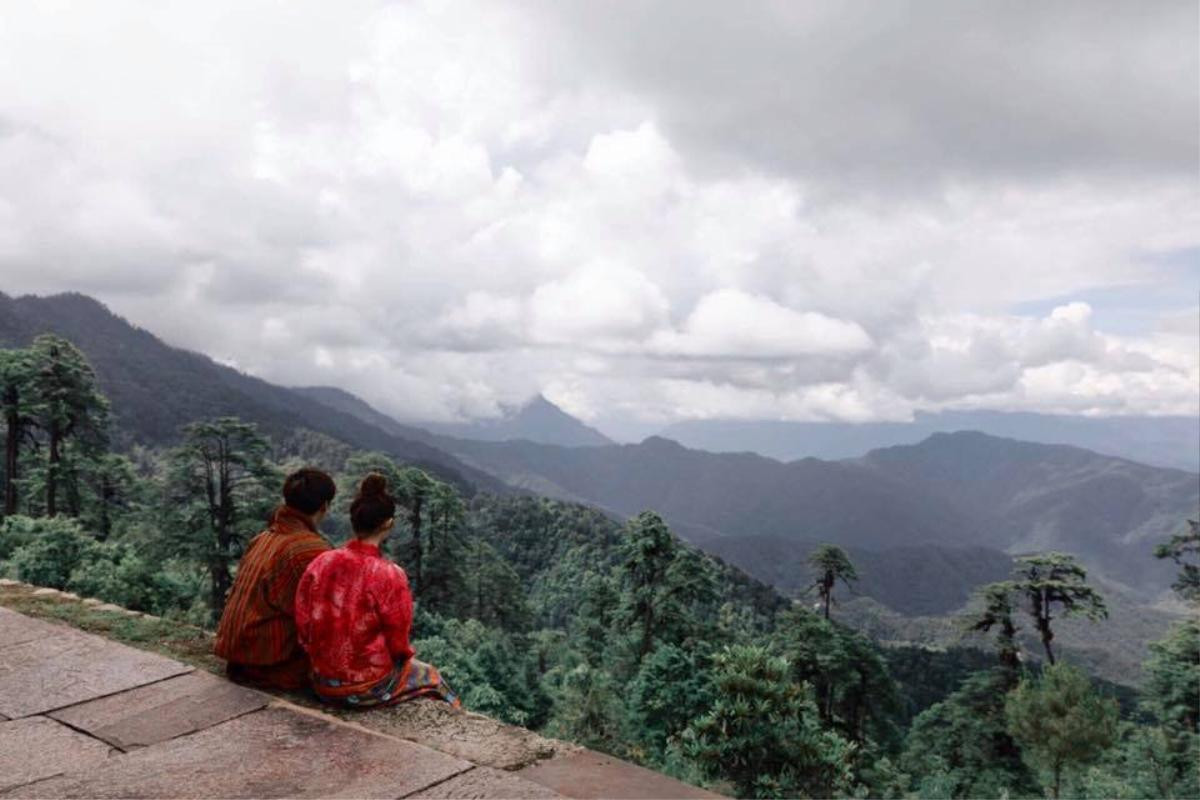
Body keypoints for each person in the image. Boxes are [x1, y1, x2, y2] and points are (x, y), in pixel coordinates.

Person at [295, 473, 459, 708]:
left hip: (321, 681)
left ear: (354, 520)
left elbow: (303, 623)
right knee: (432, 677)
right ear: (388, 523)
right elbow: (399, 644)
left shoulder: (322, 561)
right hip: (366, 687)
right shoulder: (390, 575)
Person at [214, 467, 336, 689]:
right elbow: (326, 614)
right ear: (324, 506)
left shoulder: (262, 538)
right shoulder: (308, 549)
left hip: (239, 656)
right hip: (269, 663)